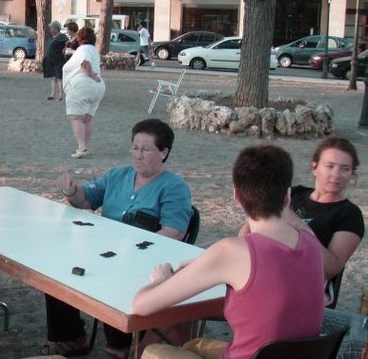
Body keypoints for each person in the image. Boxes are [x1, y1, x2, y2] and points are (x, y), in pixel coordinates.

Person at [134, 145, 325, 359]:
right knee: (194, 345)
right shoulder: (311, 241)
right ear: (288, 197)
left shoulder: (232, 252)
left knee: (153, 352)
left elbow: (142, 305)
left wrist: (159, 280)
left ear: (237, 197)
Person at [42, 118, 192, 356]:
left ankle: (121, 344)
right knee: (58, 269)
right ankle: (70, 337)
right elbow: (86, 200)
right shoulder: (118, 175)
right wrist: (70, 190)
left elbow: (173, 233)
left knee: (115, 276)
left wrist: (130, 250)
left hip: (139, 260)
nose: (138, 155)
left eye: (145, 149)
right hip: (100, 250)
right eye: (134, 147)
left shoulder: (175, 187)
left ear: (164, 152)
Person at [238, 137, 364, 307]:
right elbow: (249, 228)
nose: (336, 175)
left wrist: (297, 223)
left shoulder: (349, 214)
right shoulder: (295, 193)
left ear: (352, 174)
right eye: (330, 166)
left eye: (344, 169)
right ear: (315, 167)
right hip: (262, 270)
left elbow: (331, 268)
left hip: (303, 291)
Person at [62, 27, 105, 159]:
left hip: (82, 85)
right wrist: (95, 76)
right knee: (87, 118)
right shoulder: (94, 50)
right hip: (97, 87)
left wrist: (91, 74)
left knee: (76, 117)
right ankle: (84, 145)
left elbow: (84, 63)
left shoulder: (83, 49)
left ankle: (82, 147)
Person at [42, 20, 68, 100]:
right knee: (53, 77)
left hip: (59, 60)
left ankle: (61, 95)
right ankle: (53, 94)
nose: (51, 29)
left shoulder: (62, 37)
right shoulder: (50, 37)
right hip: (50, 60)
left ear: (57, 28)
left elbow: (67, 45)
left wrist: (65, 50)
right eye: (50, 28)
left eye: (52, 27)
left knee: (59, 77)